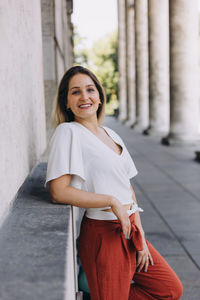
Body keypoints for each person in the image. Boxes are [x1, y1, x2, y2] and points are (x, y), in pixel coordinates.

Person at [44, 65, 183, 300]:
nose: (84, 97)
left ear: (99, 96)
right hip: (102, 235)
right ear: (66, 102)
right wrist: (110, 201)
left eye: (90, 89)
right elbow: (58, 191)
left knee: (169, 290)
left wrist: (141, 238)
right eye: (75, 92)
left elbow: (126, 187)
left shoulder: (112, 134)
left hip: (130, 230)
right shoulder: (68, 133)